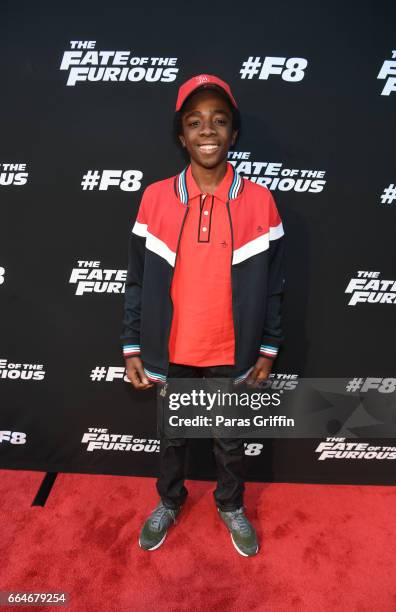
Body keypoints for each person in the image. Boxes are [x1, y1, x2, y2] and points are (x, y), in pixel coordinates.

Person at [120, 74, 285, 557]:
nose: (207, 131)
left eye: (218, 121)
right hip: (171, 350)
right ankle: (169, 501)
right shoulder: (155, 198)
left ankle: (231, 504)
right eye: (195, 122)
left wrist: (268, 347)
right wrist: (133, 344)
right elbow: (136, 280)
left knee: (229, 442)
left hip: (231, 351)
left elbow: (274, 285)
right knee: (172, 440)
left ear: (234, 133)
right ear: (181, 135)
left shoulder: (260, 201)